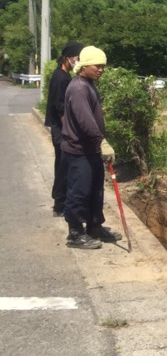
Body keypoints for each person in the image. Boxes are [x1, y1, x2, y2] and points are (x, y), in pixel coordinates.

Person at [60, 46, 122, 249]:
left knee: (95, 190)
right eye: (97, 66)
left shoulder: (88, 84)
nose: (101, 69)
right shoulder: (78, 88)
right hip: (78, 151)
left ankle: (94, 226)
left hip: (90, 149)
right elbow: (85, 120)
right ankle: (75, 233)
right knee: (79, 191)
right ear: (84, 66)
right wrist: (101, 141)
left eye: (103, 66)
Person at [44, 41, 84, 216]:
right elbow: (60, 107)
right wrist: (68, 129)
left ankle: (62, 201)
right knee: (63, 166)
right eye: (77, 58)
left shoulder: (62, 75)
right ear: (68, 58)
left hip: (61, 128)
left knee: (63, 165)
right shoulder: (61, 77)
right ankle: (59, 203)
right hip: (61, 130)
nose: (78, 61)